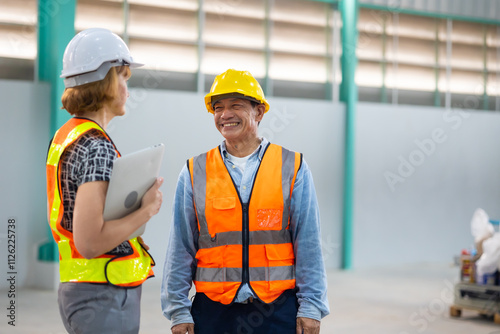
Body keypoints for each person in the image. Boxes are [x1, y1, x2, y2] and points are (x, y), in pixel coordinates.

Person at [161, 69, 329, 334]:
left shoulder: (292, 166)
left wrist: (311, 306)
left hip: (275, 309)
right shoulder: (195, 170)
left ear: (259, 112)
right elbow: (181, 246)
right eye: (218, 108)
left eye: (236, 106)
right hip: (213, 312)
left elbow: (307, 243)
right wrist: (178, 309)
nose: (225, 114)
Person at [46, 28, 163, 334]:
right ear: (108, 81)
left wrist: (126, 236)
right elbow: (90, 242)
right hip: (101, 295)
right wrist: (146, 211)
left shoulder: (69, 136)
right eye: (123, 77)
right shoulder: (96, 145)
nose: (127, 88)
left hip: (87, 292)